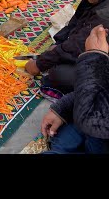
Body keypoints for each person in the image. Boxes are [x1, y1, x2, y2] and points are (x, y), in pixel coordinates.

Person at [25, 0, 109, 94]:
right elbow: (75, 25)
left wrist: (39, 64)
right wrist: (59, 44)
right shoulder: (94, 0)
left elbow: (78, 45)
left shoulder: (105, 13)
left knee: (61, 75)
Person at [40, 24, 109, 154]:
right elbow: (101, 90)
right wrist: (62, 109)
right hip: (93, 124)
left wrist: (94, 57)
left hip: (97, 127)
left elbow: (93, 121)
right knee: (61, 140)